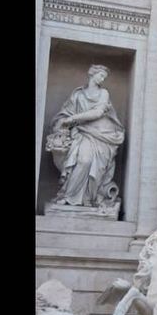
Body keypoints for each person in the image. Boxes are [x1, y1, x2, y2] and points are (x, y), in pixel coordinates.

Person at [48, 65, 125, 209]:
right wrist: (62, 122)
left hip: (101, 136)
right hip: (81, 133)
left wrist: (72, 119)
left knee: (88, 162)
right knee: (84, 160)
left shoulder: (104, 93)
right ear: (92, 75)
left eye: (104, 77)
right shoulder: (78, 95)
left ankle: (89, 198)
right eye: (100, 75)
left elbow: (97, 113)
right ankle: (68, 196)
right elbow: (65, 113)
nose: (102, 79)